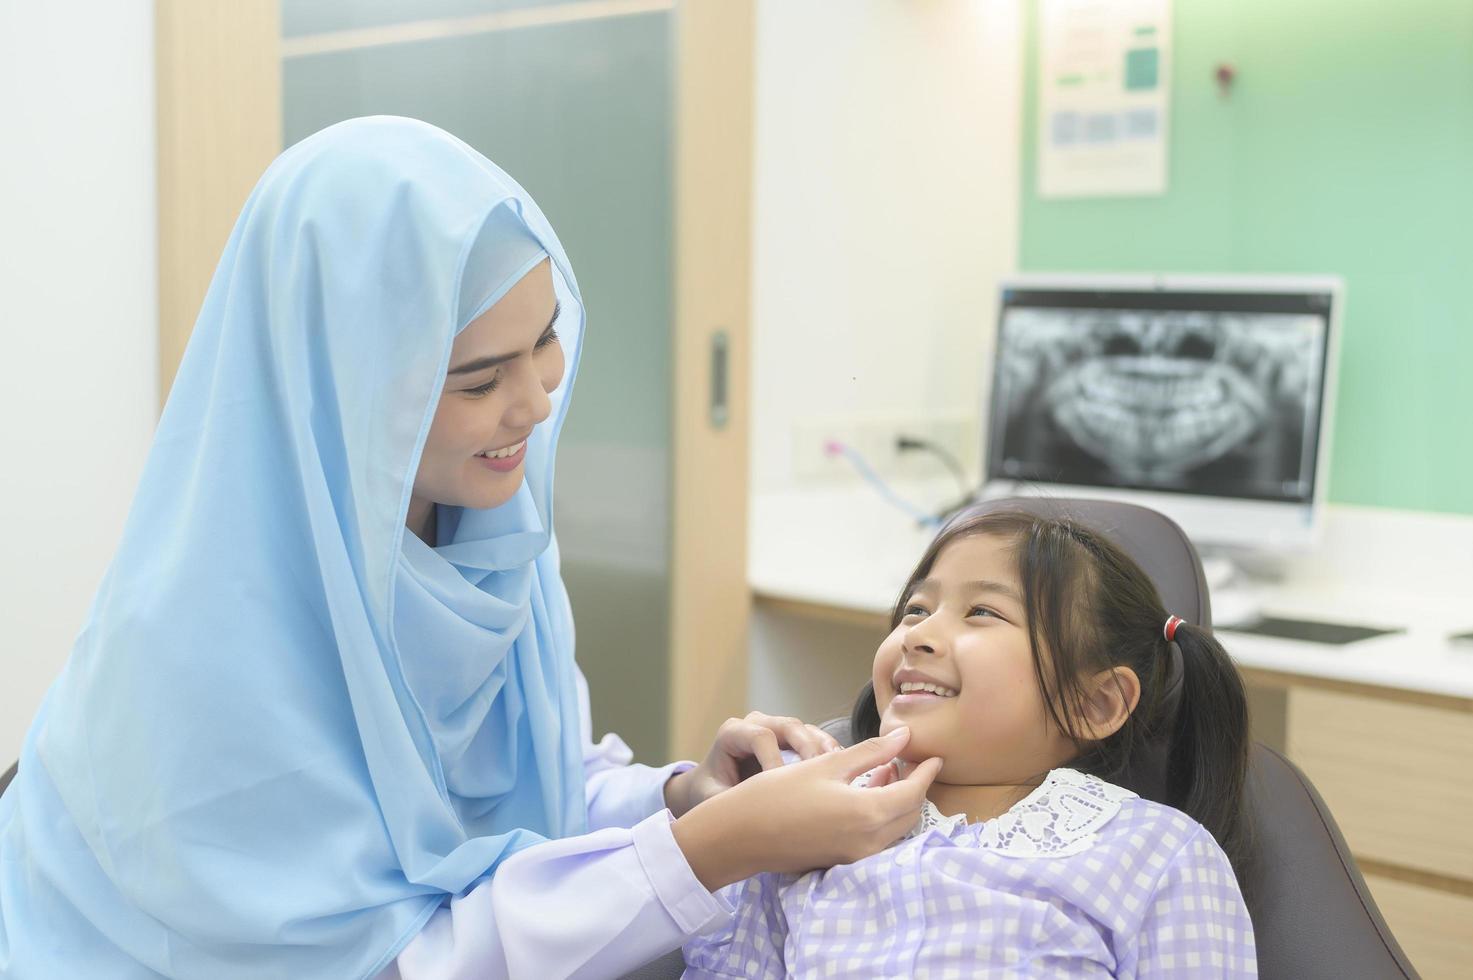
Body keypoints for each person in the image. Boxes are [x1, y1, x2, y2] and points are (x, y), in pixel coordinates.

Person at [0, 117, 942, 979]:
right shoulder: (198, 663)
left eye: (544, 343)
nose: (534, 402)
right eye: (479, 378)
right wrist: (709, 853)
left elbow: (532, 785)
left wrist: (683, 798)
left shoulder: (482, 528)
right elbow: (389, 961)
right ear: (346, 392)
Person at [683, 509, 1258, 978]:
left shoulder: (1157, 855)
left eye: (981, 612)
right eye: (915, 609)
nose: (918, 636)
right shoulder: (804, 818)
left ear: (1096, 703)